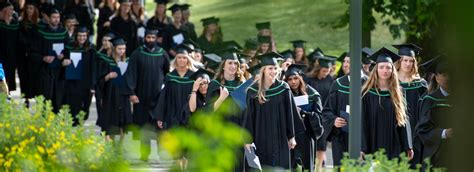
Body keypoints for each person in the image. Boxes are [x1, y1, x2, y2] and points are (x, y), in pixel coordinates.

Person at [243, 52, 303, 170]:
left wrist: (291, 136)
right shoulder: (253, 91)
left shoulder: (283, 88)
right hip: (261, 137)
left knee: (281, 166)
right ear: (263, 70)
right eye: (270, 68)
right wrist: (248, 140)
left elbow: (290, 113)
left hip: (280, 135)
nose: (273, 71)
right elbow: (249, 117)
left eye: (275, 68)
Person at [125, 28, 170, 161]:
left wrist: (166, 92)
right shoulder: (137, 54)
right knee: (141, 125)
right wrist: (132, 93)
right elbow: (131, 74)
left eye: (152, 38)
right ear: (144, 38)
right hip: (141, 97)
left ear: (156, 39)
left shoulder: (162, 54)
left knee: (157, 125)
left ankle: (158, 153)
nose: (150, 40)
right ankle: (144, 154)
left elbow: (168, 73)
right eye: (148, 37)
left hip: (157, 98)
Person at [361, 47, 413, 160]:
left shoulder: (399, 92)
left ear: (392, 70)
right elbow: (362, 122)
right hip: (372, 144)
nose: (385, 70)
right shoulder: (367, 94)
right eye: (381, 67)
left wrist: (408, 146)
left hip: (394, 144)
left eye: (388, 67)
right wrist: (362, 148)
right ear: (376, 69)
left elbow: (404, 120)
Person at [321, 50, 368, 167]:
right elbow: (327, 110)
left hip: (364, 138)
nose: (345, 65)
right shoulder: (338, 84)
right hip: (341, 137)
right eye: (344, 61)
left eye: (349, 62)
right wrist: (334, 120)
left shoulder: (370, 84)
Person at [284, 64, 324, 171]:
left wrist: (305, 113)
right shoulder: (284, 94)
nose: (293, 82)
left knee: (306, 168)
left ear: (301, 78)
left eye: (296, 78)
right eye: (290, 79)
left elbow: (319, 118)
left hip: (307, 136)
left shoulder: (313, 95)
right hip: (289, 137)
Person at [415, 55, 451, 168]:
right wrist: (444, 133)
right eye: (444, 75)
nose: (448, 78)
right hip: (437, 157)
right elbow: (422, 130)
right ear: (437, 78)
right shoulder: (430, 101)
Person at [155, 45, 197, 129]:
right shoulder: (170, 76)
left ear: (188, 60)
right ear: (176, 59)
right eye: (179, 57)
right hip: (172, 114)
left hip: (188, 115)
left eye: (184, 58)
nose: (182, 60)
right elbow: (164, 97)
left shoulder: (193, 76)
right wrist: (160, 117)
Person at [61, 26, 96, 126]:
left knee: (86, 106)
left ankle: (81, 120)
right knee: (74, 104)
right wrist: (64, 62)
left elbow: (94, 67)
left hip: (86, 81)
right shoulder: (69, 46)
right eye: (80, 36)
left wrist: (93, 85)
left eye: (84, 36)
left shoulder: (91, 48)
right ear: (76, 36)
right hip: (73, 80)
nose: (82, 38)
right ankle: (75, 124)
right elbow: (64, 60)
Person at [99, 36, 132, 142]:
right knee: (110, 120)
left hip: (123, 95)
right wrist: (108, 76)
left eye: (124, 49)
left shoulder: (127, 61)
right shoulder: (106, 61)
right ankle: (109, 145)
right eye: (119, 49)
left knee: (123, 121)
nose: (122, 51)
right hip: (110, 95)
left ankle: (121, 147)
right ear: (114, 49)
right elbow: (98, 79)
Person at [37, 6, 67, 113]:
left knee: (58, 98)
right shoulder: (41, 33)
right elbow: (33, 51)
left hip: (59, 71)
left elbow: (68, 49)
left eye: (58, 17)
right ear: (48, 18)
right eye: (54, 17)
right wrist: (43, 58)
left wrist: (63, 56)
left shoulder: (63, 32)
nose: (56, 20)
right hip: (45, 70)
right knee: (45, 97)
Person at [18, 1, 40, 102]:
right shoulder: (22, 23)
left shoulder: (39, 23)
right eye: (27, 8)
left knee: (35, 78)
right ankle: (25, 100)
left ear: (35, 10)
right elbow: (20, 38)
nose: (29, 10)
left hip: (35, 55)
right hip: (24, 55)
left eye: (31, 8)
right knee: (24, 78)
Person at [0, 2, 20, 92]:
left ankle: (8, 94)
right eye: (9, 9)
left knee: (10, 75)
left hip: (12, 54)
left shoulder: (15, 24)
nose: (11, 11)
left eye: (12, 9)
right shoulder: (0, 23)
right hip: (1, 54)